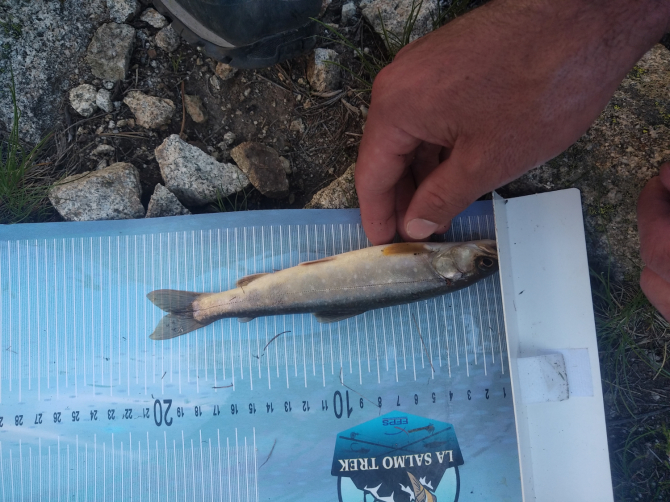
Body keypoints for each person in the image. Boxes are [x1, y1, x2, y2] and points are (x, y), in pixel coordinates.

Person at [155, 0, 670, 320]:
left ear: (451, 270)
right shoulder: (435, 266)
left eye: (483, 262)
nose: (484, 253)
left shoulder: (434, 265)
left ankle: (205, 307)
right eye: (484, 261)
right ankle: (211, 306)